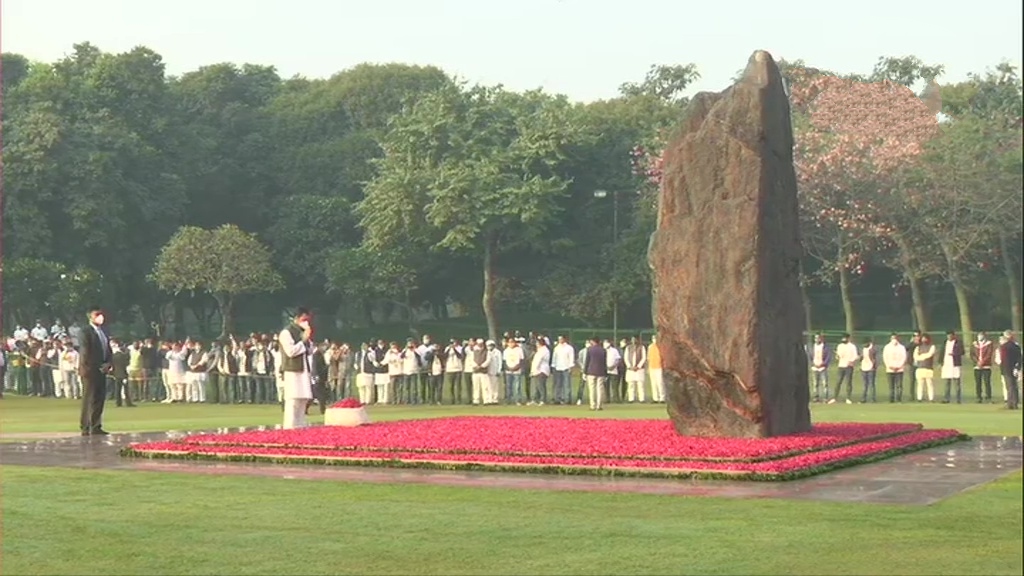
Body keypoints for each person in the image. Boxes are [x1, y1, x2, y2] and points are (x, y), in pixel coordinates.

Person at [77, 306, 112, 436]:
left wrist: (108, 363)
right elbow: (86, 352)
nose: (100, 317)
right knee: (89, 398)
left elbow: (107, 349)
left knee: (99, 397)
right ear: (90, 317)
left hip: (102, 369)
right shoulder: (85, 331)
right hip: (90, 370)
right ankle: (85, 426)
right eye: (97, 314)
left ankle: (96, 425)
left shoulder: (104, 332)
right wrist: (92, 366)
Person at [278, 308, 315, 429]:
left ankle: (300, 424)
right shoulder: (286, 333)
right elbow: (291, 351)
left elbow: (310, 351)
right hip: (292, 370)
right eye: (304, 319)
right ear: (296, 318)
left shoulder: (303, 332)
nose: (306, 323)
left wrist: (307, 338)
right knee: (293, 399)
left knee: (303, 399)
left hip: (304, 369)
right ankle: (290, 426)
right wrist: (303, 339)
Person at [999, 330, 1021, 410]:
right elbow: (1019, 358)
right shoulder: (1016, 346)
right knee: (1014, 386)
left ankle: (1010, 404)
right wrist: (1017, 368)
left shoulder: (1004, 347)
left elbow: (1005, 359)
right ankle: (1015, 403)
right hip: (1014, 368)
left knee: (1009, 386)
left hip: (1007, 369)